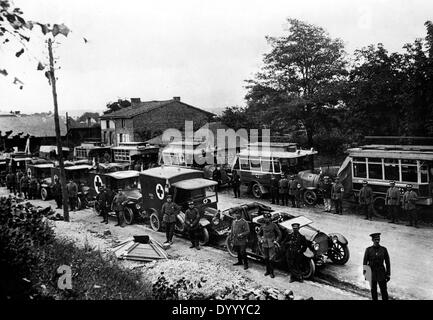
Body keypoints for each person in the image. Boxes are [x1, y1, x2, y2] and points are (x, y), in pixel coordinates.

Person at [363, 233, 390, 300]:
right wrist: (366, 273)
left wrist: (388, 273)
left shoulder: (384, 249)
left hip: (381, 273)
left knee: (384, 290)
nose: (377, 241)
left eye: (378, 239)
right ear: (372, 240)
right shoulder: (368, 250)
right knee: (373, 290)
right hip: (372, 272)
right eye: (375, 239)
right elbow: (365, 262)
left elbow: (387, 262)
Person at [258, 211, 282, 278]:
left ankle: (271, 272)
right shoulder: (262, 225)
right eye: (265, 218)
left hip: (271, 243)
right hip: (265, 244)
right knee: (266, 258)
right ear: (264, 219)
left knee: (271, 259)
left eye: (268, 218)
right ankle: (267, 271)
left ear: (270, 218)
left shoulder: (274, 225)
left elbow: (279, 234)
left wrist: (276, 241)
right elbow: (259, 234)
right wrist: (260, 240)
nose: (267, 220)